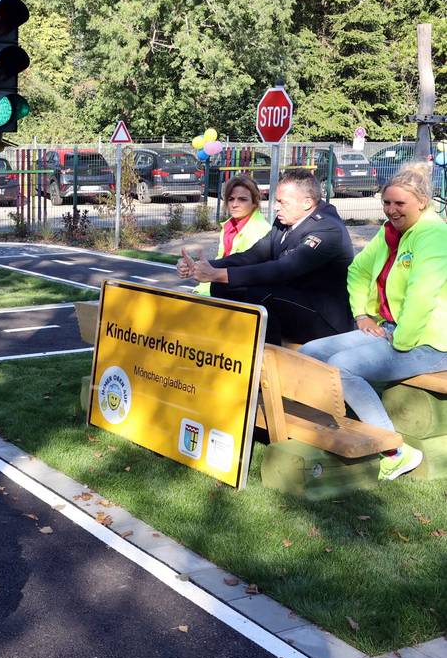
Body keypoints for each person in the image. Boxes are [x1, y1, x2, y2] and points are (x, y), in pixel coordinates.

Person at [298, 164, 447, 481]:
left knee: (342, 367)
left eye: (399, 204)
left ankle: (394, 450)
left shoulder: (433, 234)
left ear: (421, 202)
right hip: (393, 329)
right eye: (387, 203)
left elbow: (423, 293)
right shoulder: (391, 231)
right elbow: (359, 271)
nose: (391, 211)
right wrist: (362, 315)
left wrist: (400, 342)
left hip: (430, 341)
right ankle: (336, 429)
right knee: (311, 352)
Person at [177, 169, 354, 344]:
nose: (276, 207)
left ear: (307, 202)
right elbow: (254, 255)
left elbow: (285, 269)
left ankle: (265, 360)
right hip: (294, 301)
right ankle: (232, 345)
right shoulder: (287, 218)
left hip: (324, 319)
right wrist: (206, 267)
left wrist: (219, 274)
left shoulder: (328, 229)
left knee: (261, 294)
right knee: (222, 287)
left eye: (282, 202)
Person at [193, 176, 271, 296]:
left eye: (242, 199)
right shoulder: (229, 226)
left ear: (255, 202)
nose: (235, 204)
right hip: (219, 288)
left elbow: (246, 272)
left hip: (241, 295)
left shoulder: (261, 230)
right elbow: (221, 261)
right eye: (231, 199)